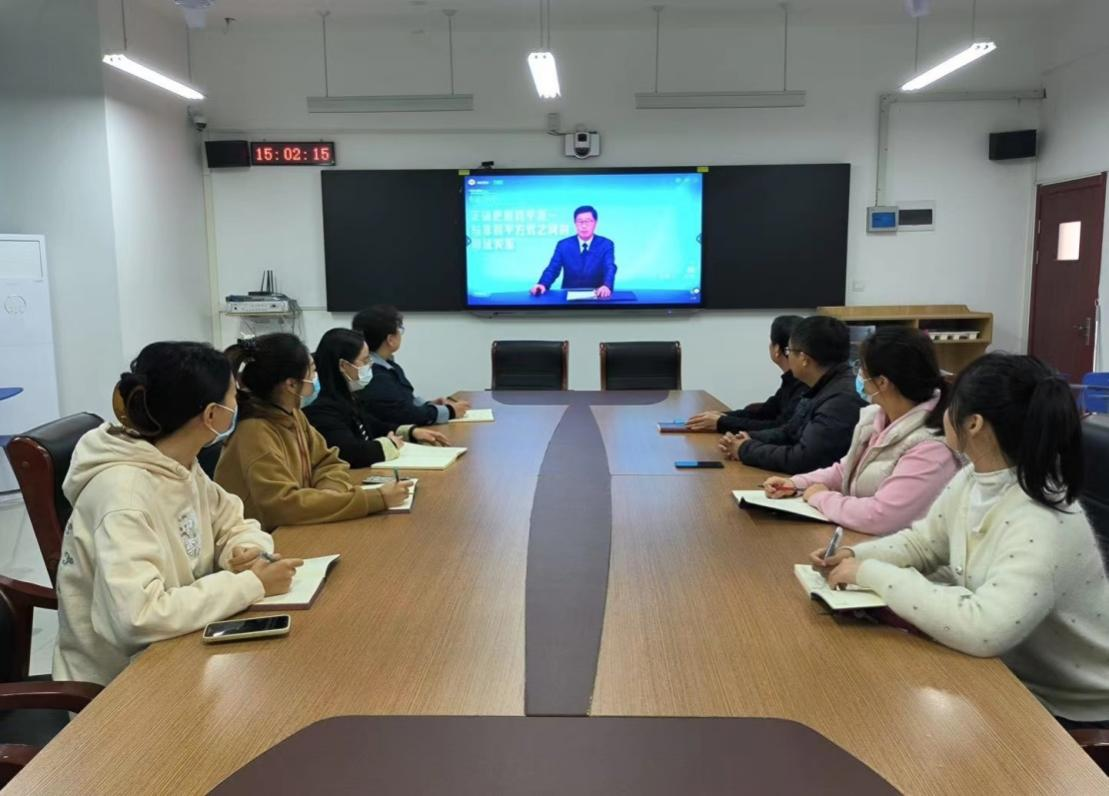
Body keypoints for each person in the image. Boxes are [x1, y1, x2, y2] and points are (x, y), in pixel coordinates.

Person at [812, 353, 1109, 728]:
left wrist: (869, 573)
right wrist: (853, 555)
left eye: (951, 405)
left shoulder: (1042, 521)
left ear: (974, 423)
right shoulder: (976, 478)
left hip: (1069, 709)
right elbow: (924, 544)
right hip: (1006, 676)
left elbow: (985, 628)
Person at [54, 342, 302, 686]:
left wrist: (244, 551)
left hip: (183, 645)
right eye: (234, 396)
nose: (239, 404)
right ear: (212, 415)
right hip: (121, 685)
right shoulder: (123, 496)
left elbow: (233, 521)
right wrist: (250, 583)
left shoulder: (178, 463)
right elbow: (138, 618)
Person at [762, 327, 960, 535]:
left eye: (862, 368)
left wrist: (820, 497)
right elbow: (845, 470)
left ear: (882, 382)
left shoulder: (932, 446)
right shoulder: (877, 416)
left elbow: (881, 516)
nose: (858, 374)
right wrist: (796, 483)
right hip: (858, 538)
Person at [215, 333, 412, 532]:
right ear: (291, 384)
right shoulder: (254, 431)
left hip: (299, 526)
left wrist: (328, 496)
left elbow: (329, 462)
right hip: (265, 538)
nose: (316, 377)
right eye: (312, 370)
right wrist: (377, 498)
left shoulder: (293, 414)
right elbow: (284, 506)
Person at [720, 315, 865, 474]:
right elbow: (789, 431)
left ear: (804, 359)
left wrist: (746, 449)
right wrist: (747, 438)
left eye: (789, 351)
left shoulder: (841, 400)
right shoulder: (822, 385)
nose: (788, 357)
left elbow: (804, 459)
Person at [305, 328, 449, 468]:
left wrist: (411, 432)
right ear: (343, 365)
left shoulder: (349, 397)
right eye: (365, 360)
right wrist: (390, 445)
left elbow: (372, 425)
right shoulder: (321, 409)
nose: (370, 365)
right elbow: (350, 452)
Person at [353, 305, 470, 427]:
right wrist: (450, 411)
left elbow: (404, 402)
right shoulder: (376, 375)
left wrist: (429, 405)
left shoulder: (389, 366)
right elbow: (404, 414)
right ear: (390, 340)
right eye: (399, 329)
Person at [687, 315, 805, 433]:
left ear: (777, 349)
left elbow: (779, 427)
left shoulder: (804, 384)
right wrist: (722, 416)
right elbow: (763, 414)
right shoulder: (790, 381)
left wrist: (721, 422)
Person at [530, 205, 617, 299]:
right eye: (580, 221)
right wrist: (542, 284)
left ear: (595, 223)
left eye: (588, 221)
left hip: (597, 297)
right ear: (575, 223)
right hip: (568, 299)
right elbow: (553, 268)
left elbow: (609, 267)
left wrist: (606, 285)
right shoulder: (563, 245)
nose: (584, 226)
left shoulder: (606, 244)